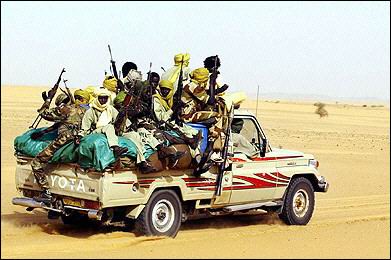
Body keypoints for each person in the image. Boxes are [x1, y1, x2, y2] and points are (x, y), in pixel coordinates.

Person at [31, 93, 87, 205]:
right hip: (80, 138)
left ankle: (46, 191)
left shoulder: (64, 109)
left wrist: (48, 99)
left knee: (36, 162)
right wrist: (44, 132)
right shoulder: (81, 109)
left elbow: (43, 112)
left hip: (65, 139)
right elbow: (61, 123)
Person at [153, 79, 202, 151]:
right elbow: (160, 118)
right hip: (160, 124)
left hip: (171, 123)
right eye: (163, 89)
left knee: (193, 132)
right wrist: (173, 109)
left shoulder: (170, 100)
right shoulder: (156, 99)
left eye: (167, 90)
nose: (165, 92)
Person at [79, 88, 128, 158]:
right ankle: (115, 148)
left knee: (134, 135)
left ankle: (142, 162)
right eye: (101, 98)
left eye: (105, 98)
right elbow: (85, 128)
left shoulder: (111, 109)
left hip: (111, 132)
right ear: (97, 98)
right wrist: (80, 135)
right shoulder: (91, 111)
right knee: (109, 127)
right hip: (96, 131)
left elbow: (120, 121)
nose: (103, 100)